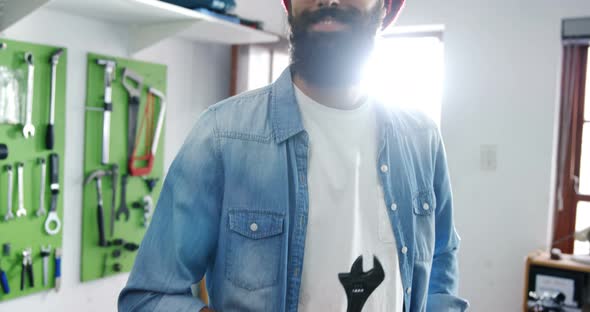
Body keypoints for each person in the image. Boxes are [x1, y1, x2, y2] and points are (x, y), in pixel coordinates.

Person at [118, 0, 469, 311]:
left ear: (387, 6)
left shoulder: (422, 140)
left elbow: (440, 271)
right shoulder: (220, 136)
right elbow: (148, 296)